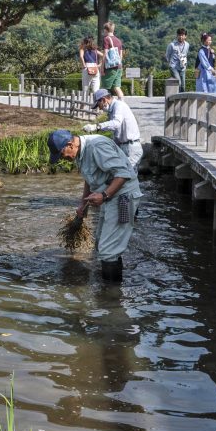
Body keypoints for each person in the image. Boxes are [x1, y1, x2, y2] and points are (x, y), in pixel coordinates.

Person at [47, 129, 143, 282]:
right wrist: (83, 204)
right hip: (110, 196)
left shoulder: (96, 147)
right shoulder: (81, 152)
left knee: (108, 250)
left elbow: (123, 174)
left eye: (61, 154)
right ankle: (106, 286)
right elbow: (89, 178)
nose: (62, 159)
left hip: (123, 198)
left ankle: (111, 296)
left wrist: (104, 195)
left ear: (70, 144)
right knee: (100, 244)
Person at [83, 88, 143, 169]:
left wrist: (96, 126)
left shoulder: (119, 105)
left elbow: (116, 123)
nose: (100, 108)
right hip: (124, 146)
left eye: (98, 105)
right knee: (121, 176)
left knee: (127, 177)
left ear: (104, 100)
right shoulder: (112, 109)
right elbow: (116, 132)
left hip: (131, 148)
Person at [101, 21, 125, 98]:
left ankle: (102, 108)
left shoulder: (106, 39)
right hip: (119, 67)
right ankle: (122, 104)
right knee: (117, 87)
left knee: (104, 88)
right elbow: (121, 55)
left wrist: (102, 68)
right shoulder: (118, 40)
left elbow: (105, 53)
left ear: (105, 30)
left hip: (110, 68)